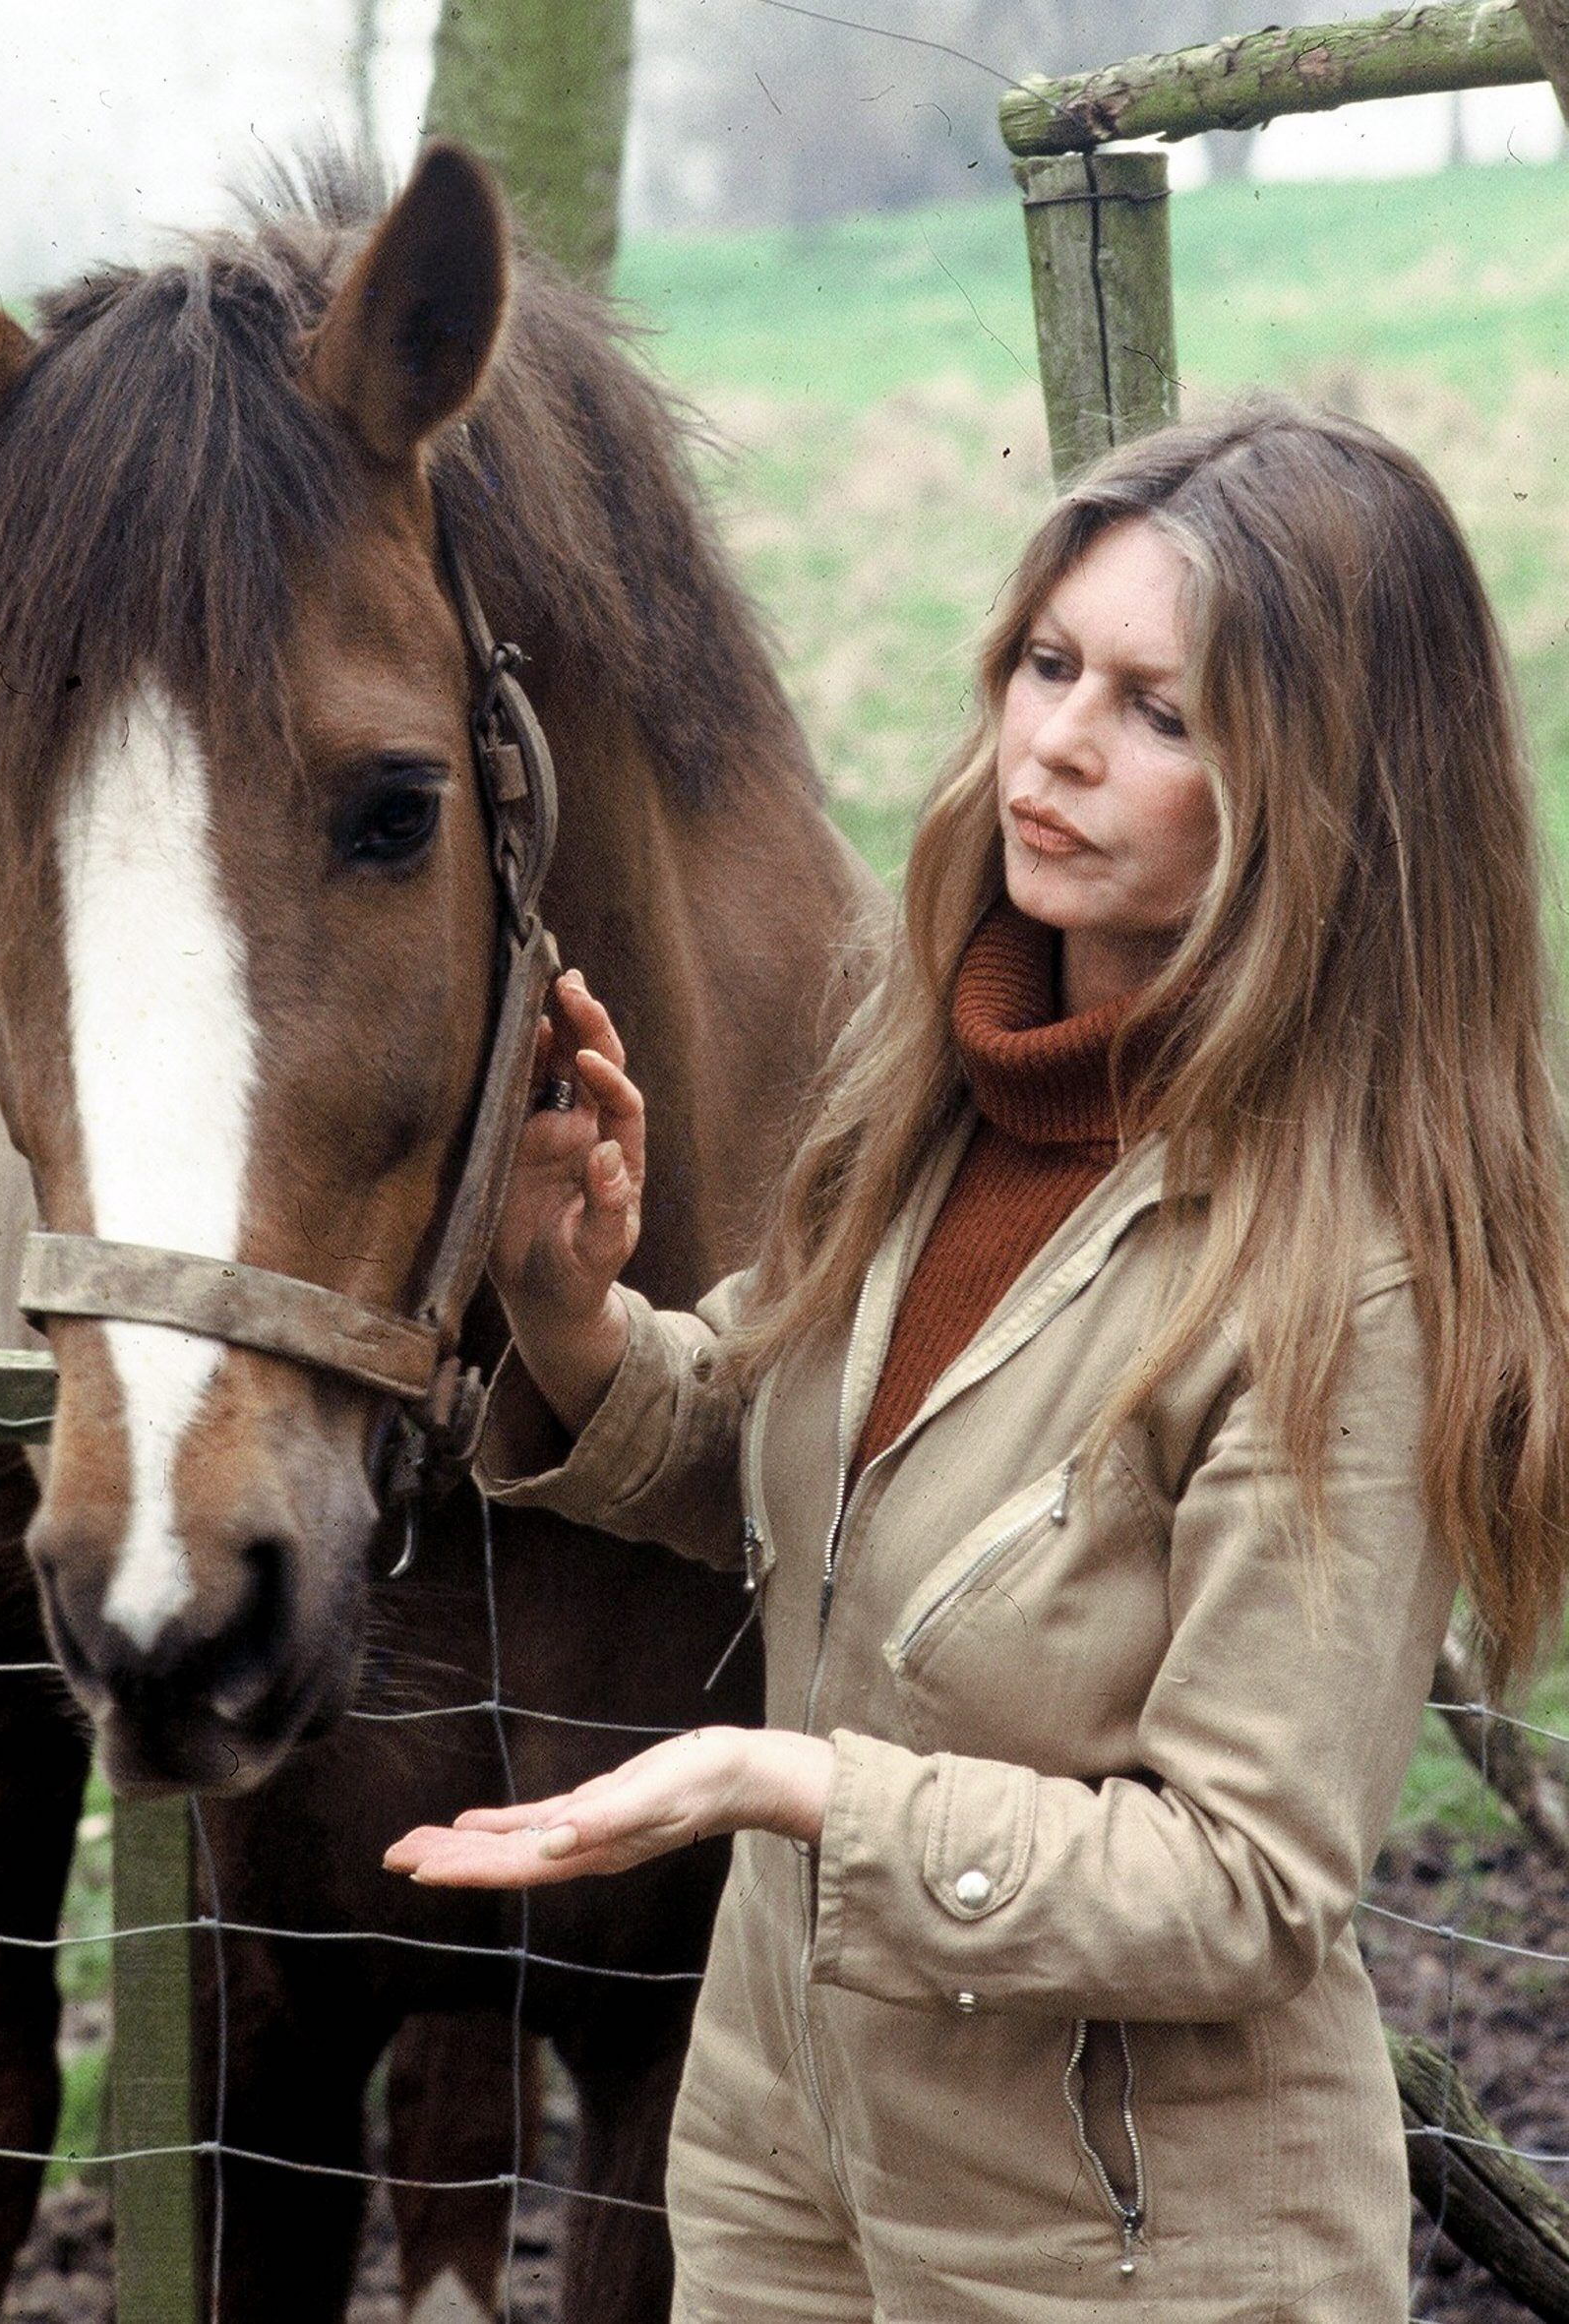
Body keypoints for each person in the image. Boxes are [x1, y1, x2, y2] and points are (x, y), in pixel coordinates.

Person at [386, 399, 1569, 2321]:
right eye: (1048, 661)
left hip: (1118, 2244)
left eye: (1164, 713)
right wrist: (574, 1305)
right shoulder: (933, 1081)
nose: (1061, 743)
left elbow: (1246, 1880)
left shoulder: (1345, 1271)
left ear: (1331, 794)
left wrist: (796, 1783)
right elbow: (815, 1486)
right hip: (783, 2170)